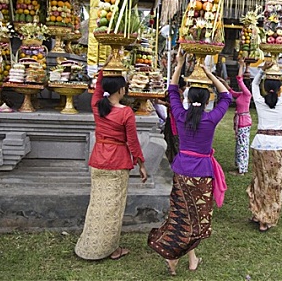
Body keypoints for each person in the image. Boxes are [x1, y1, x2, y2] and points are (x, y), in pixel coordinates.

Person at [148, 50, 231, 276]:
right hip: (202, 174)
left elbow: (172, 90)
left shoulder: (181, 114)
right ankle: (173, 254)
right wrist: (210, 75)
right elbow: (227, 97)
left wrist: (179, 65)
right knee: (197, 221)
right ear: (206, 100)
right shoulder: (210, 119)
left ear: (188, 97)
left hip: (182, 170)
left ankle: (187, 258)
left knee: (180, 216)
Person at [75, 63, 148, 261]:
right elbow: (132, 142)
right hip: (117, 162)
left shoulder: (98, 106)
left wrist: (103, 70)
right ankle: (110, 249)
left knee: (97, 205)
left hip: (98, 161)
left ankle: (89, 245)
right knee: (113, 208)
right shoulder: (125, 112)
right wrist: (141, 164)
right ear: (121, 89)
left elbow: (98, 89)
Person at [247, 47, 282, 232]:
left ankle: (259, 213)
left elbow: (253, 85)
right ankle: (265, 218)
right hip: (276, 145)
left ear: (265, 86)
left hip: (260, 144)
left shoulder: (260, 100)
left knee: (259, 181)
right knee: (274, 184)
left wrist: (261, 70)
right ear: (279, 88)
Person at [218, 57, 252, 176]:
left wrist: (241, 66)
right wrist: (222, 82)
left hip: (244, 121)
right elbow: (231, 91)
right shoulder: (241, 95)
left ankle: (242, 169)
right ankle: (239, 166)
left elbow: (239, 79)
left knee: (242, 145)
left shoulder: (247, 94)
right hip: (240, 121)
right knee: (239, 144)